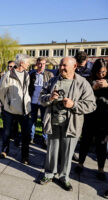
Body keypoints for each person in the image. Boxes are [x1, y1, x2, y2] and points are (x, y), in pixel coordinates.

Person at [39, 57, 96, 191]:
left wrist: (74, 105)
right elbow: (41, 98)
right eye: (60, 65)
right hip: (53, 123)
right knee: (51, 151)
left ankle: (64, 177)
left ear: (74, 66)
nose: (61, 68)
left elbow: (92, 105)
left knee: (67, 153)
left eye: (64, 65)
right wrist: (49, 98)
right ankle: (49, 174)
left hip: (72, 125)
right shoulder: (53, 80)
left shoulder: (82, 83)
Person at [75, 58, 108, 181]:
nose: (101, 75)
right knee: (85, 141)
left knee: (101, 145)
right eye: (99, 72)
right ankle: (80, 163)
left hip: (104, 118)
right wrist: (92, 89)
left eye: (103, 72)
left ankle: (100, 169)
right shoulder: (89, 80)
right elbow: (82, 96)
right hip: (89, 116)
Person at [0, 54, 31, 164]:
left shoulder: (27, 75)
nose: (29, 64)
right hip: (10, 110)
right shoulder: (8, 74)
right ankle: (4, 150)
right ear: (21, 63)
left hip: (24, 111)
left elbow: (27, 92)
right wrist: (6, 103)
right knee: (7, 132)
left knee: (26, 134)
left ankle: (25, 156)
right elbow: (2, 91)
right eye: (27, 62)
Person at [29, 57, 54, 146]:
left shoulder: (49, 74)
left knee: (44, 121)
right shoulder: (32, 74)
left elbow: (52, 88)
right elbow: (29, 88)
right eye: (40, 63)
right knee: (32, 120)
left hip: (44, 102)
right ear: (37, 64)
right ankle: (31, 137)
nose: (42, 65)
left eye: (43, 64)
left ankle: (45, 139)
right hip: (33, 101)